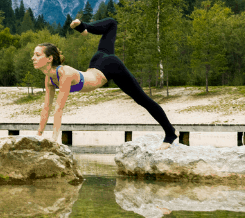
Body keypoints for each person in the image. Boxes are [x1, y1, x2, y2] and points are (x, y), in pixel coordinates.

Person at [31, 17, 178, 148]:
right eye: (34, 55)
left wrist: (54, 142)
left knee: (142, 99)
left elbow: (59, 109)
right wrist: (39, 135)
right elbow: (46, 108)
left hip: (110, 67)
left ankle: (170, 133)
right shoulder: (49, 79)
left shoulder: (65, 73)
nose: (33, 58)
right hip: (97, 61)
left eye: (37, 55)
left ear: (49, 58)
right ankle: (83, 27)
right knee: (112, 24)